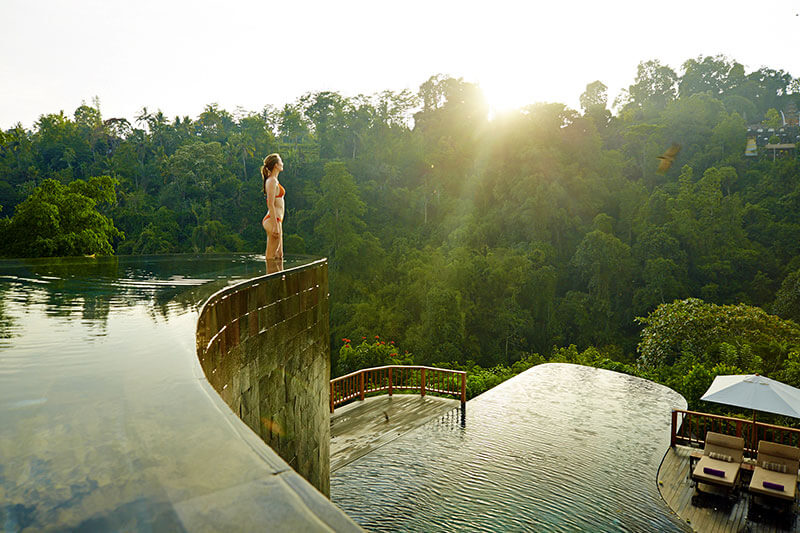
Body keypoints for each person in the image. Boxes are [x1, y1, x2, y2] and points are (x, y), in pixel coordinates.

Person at [261, 153, 285, 273]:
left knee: (279, 256)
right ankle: (269, 285)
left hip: (277, 221)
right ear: (276, 165)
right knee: (270, 257)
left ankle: (278, 285)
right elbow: (270, 204)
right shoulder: (271, 181)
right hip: (272, 220)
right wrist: (275, 225)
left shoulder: (275, 180)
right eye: (281, 161)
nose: (282, 164)